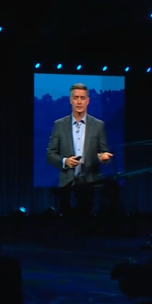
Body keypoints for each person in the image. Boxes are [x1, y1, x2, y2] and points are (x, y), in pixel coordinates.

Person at [45, 83, 113, 216]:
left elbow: (104, 153)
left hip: (90, 184)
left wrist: (104, 158)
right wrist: (65, 161)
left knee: (87, 223)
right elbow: (50, 154)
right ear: (71, 100)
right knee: (67, 224)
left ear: (88, 101)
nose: (79, 102)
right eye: (76, 98)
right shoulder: (59, 125)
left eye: (82, 98)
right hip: (66, 186)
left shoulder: (98, 125)